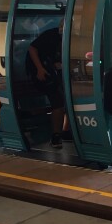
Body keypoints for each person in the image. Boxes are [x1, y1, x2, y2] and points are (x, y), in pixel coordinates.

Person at [27, 19, 70, 149]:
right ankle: (56, 136)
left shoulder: (72, 38)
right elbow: (32, 48)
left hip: (61, 74)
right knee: (58, 102)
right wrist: (40, 68)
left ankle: (66, 132)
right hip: (45, 75)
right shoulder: (51, 35)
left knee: (69, 101)